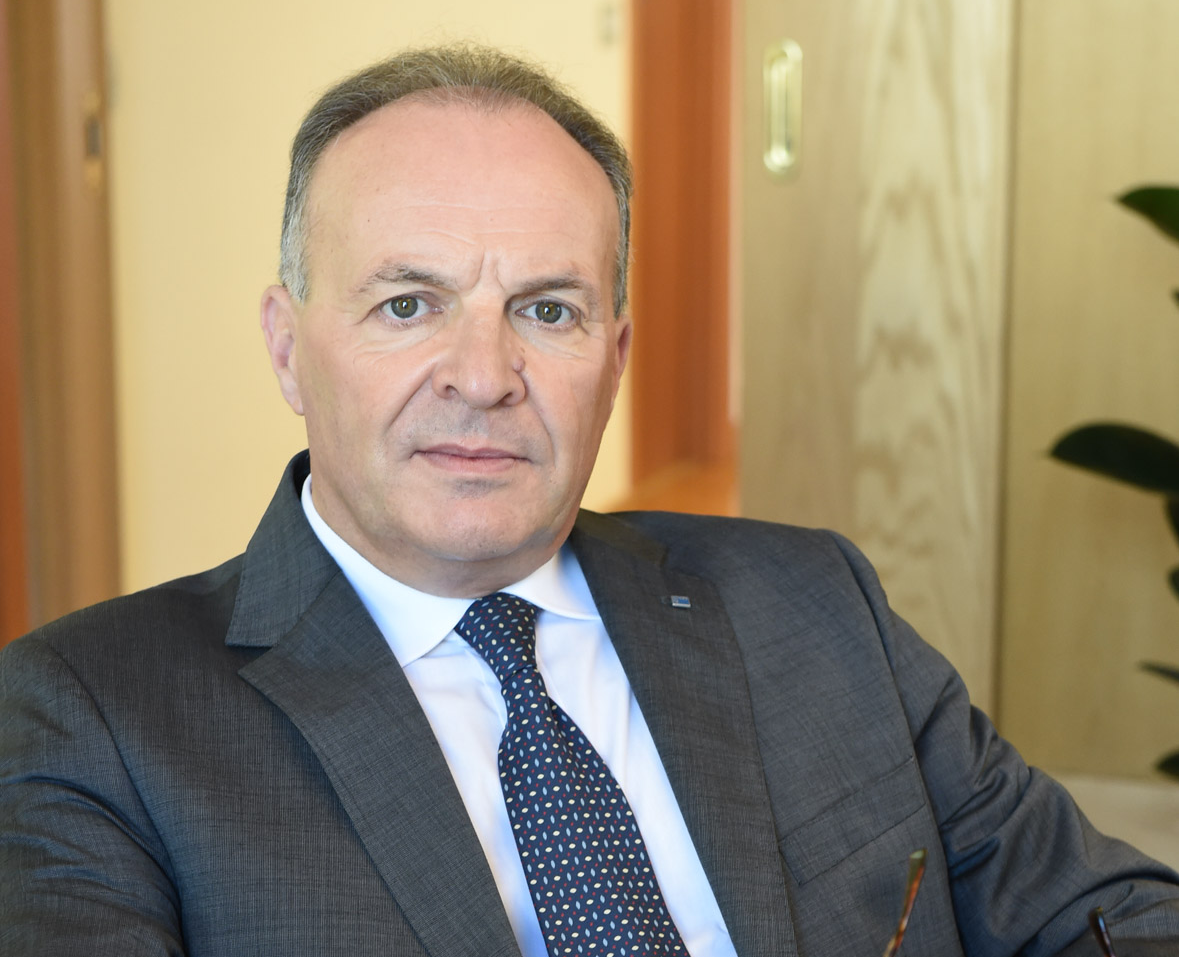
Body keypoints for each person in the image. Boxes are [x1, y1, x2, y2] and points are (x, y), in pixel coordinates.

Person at [1, 44, 1177, 957]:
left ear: (613, 359)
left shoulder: (816, 600)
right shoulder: (93, 718)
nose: (483, 376)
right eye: (408, 304)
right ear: (286, 348)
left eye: (548, 310)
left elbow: (1114, 916)